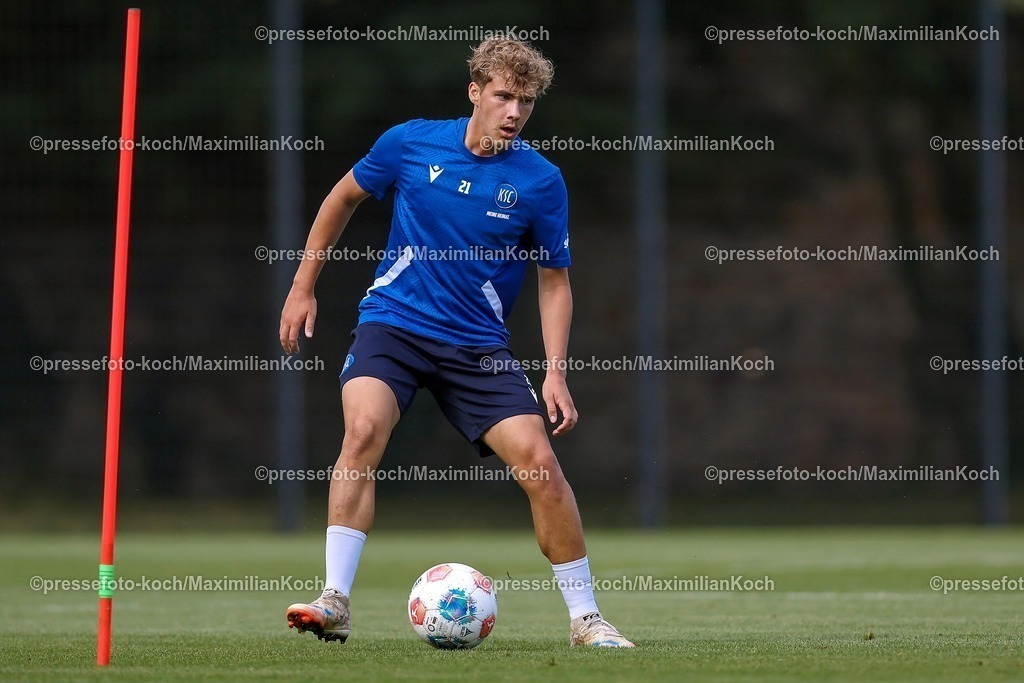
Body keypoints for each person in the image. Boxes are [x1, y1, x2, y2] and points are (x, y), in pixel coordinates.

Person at [278, 36, 633, 648]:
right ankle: (333, 599)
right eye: (503, 96)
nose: (514, 112)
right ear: (475, 92)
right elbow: (342, 198)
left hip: (477, 347)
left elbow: (554, 281)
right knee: (362, 432)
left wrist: (554, 371)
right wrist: (302, 285)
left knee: (541, 466)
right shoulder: (411, 143)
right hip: (394, 325)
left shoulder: (540, 181)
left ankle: (586, 620)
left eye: (525, 101)